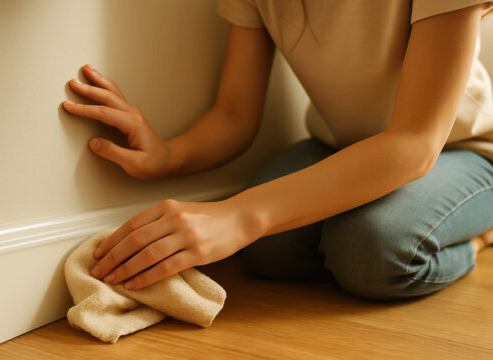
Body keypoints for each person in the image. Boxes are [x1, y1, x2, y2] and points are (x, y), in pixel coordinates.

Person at [62, 1, 493, 300]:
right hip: (339, 145)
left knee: (370, 253)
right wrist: (166, 156)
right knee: (269, 252)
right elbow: (234, 113)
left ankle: (479, 237)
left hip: (460, 148)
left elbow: (415, 142)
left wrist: (239, 214)